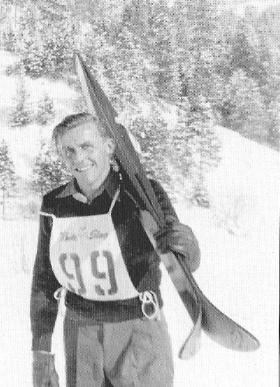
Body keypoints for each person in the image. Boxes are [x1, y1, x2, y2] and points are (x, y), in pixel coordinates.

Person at [30, 113, 201, 387]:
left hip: (136, 329)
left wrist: (186, 244)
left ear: (108, 146)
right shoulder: (55, 204)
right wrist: (41, 353)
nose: (78, 158)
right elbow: (44, 280)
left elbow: (182, 260)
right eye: (69, 151)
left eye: (86, 147)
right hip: (80, 333)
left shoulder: (142, 193)